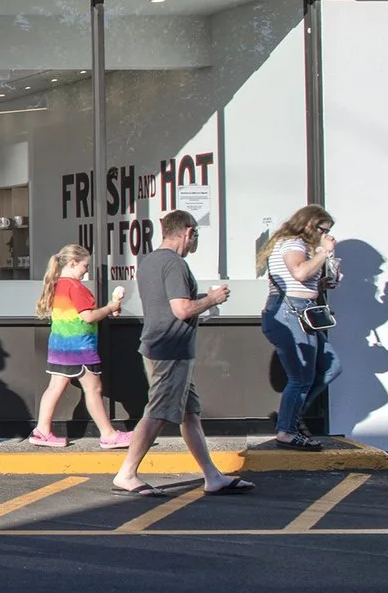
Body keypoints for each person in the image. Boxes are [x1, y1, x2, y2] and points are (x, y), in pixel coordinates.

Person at [113, 210, 251, 498]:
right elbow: (181, 309)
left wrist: (201, 301)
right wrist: (212, 299)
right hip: (170, 349)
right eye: (196, 235)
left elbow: (170, 305)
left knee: (190, 414)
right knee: (158, 412)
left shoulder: (150, 261)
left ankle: (212, 476)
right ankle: (126, 473)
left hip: (162, 345)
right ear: (188, 232)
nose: (195, 241)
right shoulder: (174, 264)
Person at [26, 244, 130, 449]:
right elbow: (88, 316)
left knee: (55, 387)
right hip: (80, 349)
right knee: (94, 388)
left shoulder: (57, 285)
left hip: (59, 347)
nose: (87, 271)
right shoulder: (76, 288)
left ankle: (42, 430)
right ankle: (108, 434)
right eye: (85, 266)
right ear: (73, 263)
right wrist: (110, 308)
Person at [258, 204, 341, 450]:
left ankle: (290, 418)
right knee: (301, 377)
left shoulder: (300, 245)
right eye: (322, 229)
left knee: (331, 366)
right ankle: (287, 430)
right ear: (308, 224)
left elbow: (305, 279)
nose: (326, 235)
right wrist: (324, 253)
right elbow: (300, 272)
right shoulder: (293, 243)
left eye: (328, 231)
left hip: (301, 311)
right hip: (288, 312)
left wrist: (323, 282)